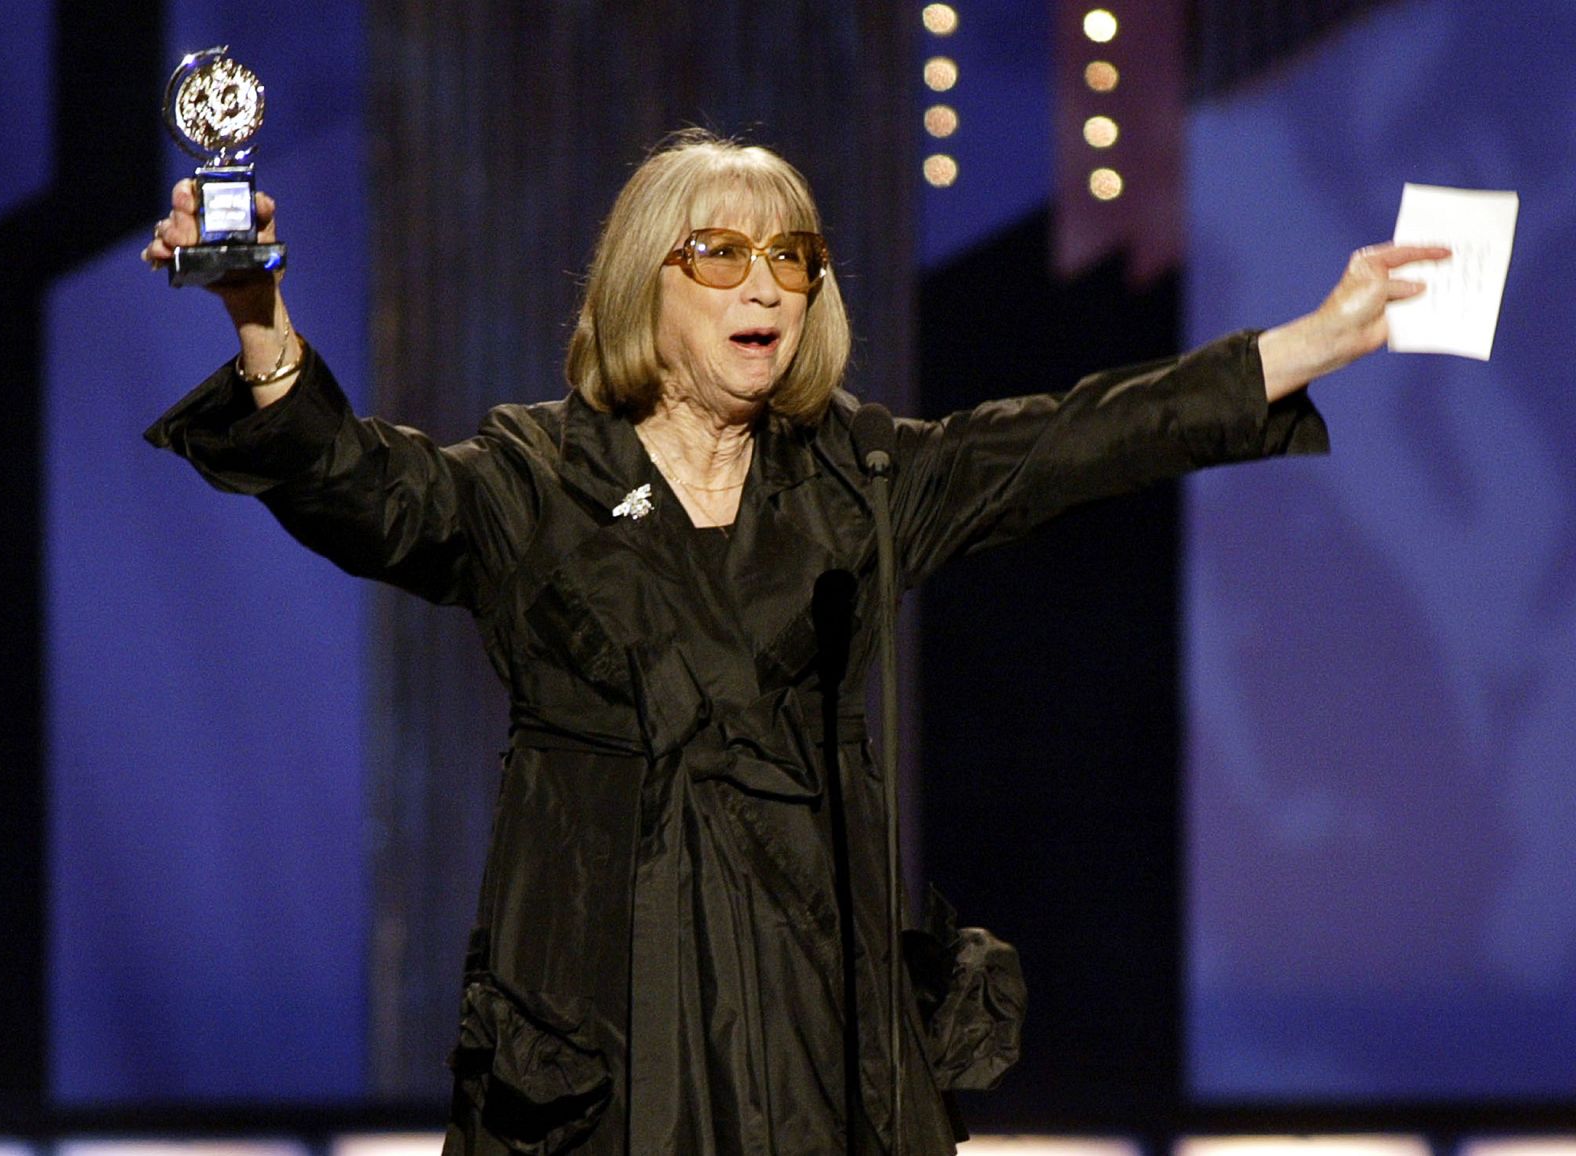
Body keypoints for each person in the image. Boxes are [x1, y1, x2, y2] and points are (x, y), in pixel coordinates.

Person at [140, 130, 1447, 1154]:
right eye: (723, 255)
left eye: (793, 258)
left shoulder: (863, 477)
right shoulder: (535, 477)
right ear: (646, 281)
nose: (766, 285)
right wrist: (261, 327)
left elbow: (1075, 439)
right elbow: (369, 494)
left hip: (811, 1017)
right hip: (608, 1013)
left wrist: (1314, 341)